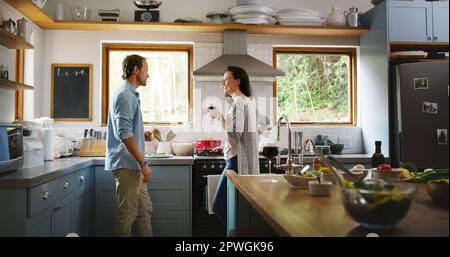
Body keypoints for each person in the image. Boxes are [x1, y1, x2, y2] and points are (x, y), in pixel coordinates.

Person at [105, 54, 153, 237]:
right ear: (135, 69)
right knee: (127, 216)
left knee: (145, 211)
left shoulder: (130, 94)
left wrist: (142, 136)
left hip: (133, 165)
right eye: (146, 70)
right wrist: (143, 163)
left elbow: (127, 131)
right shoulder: (125, 94)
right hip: (128, 165)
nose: (148, 74)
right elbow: (124, 135)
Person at [209, 66, 261, 226]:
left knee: (219, 205)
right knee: (235, 206)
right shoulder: (246, 101)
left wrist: (219, 117)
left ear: (237, 81)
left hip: (236, 162)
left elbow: (235, 133)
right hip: (237, 158)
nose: (223, 82)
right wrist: (221, 117)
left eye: (226, 79)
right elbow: (238, 132)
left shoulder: (239, 103)